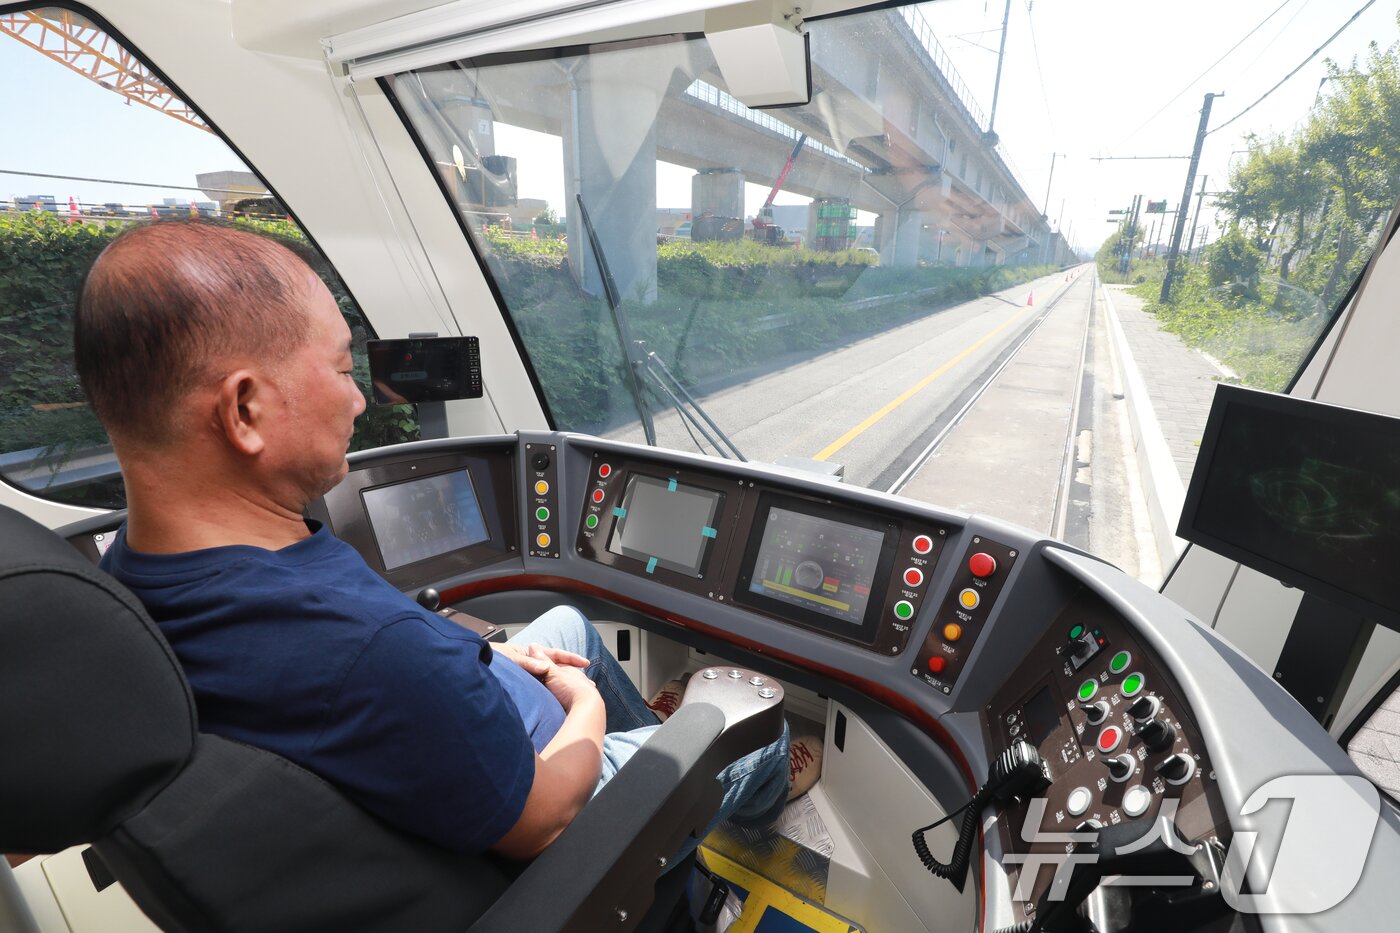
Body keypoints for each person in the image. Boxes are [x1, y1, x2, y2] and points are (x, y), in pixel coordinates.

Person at [74, 220, 797, 864]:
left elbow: (378, 660)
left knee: (569, 625)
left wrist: (491, 658)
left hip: (462, 734)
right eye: (341, 368)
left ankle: (659, 762)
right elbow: (541, 819)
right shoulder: (368, 649)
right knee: (752, 719)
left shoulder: (133, 579)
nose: (358, 398)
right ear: (245, 408)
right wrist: (585, 705)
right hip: (547, 801)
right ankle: (737, 810)